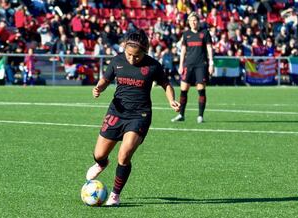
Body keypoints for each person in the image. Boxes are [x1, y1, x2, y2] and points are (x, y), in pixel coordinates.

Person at [85, 29, 180, 206]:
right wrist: (98, 88)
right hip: (116, 112)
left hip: (139, 115)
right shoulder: (117, 60)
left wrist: (172, 100)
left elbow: (166, 84)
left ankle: (115, 195)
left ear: (145, 51)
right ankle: (101, 164)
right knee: (99, 154)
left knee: (124, 155)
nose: (132, 59)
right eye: (129, 55)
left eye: (137, 56)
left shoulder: (153, 66)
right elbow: (105, 80)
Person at [171, 12, 214, 123]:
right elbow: (183, 51)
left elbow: (209, 48)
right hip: (188, 65)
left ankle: (200, 116)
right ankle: (181, 115)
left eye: (195, 20)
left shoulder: (205, 33)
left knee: (201, 90)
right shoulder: (186, 34)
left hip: (201, 65)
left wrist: (211, 63)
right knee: (183, 90)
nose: (193, 23)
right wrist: (181, 65)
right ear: (188, 22)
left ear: (198, 22)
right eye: (191, 21)